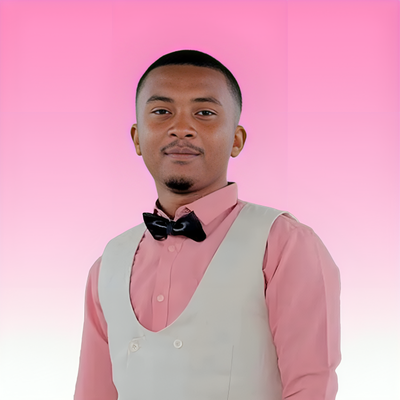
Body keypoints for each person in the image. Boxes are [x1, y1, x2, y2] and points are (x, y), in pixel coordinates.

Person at [74, 49, 341, 400]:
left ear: (236, 140)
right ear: (137, 138)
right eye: (162, 111)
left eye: (204, 113)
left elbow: (311, 386)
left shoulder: (282, 244)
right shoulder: (108, 264)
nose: (181, 128)